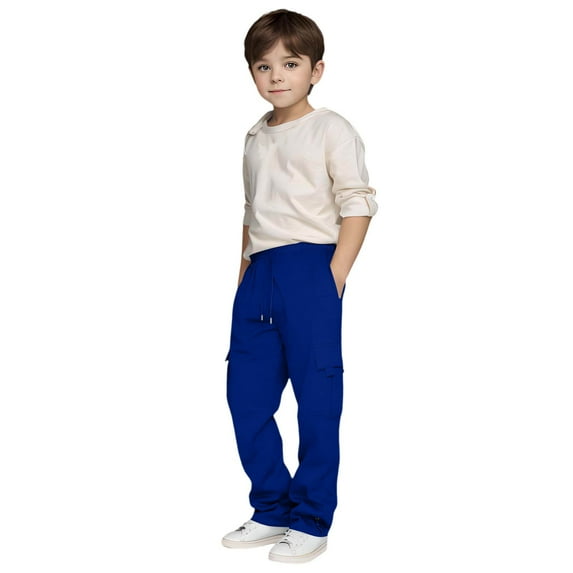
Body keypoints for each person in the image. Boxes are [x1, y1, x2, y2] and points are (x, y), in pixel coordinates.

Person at [221, 9, 378, 563]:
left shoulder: (331, 128)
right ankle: (271, 508)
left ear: (316, 70)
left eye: (290, 64)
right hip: (258, 274)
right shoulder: (254, 136)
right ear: (252, 72)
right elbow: (251, 211)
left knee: (316, 401)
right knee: (245, 396)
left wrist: (333, 277)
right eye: (263, 66)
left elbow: (357, 202)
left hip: (311, 268)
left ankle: (311, 519)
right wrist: (243, 277)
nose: (276, 76)